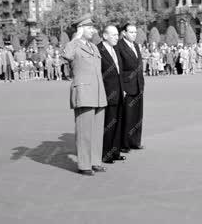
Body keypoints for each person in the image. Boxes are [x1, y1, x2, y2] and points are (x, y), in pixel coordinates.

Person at [62, 14, 107, 176]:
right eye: (89, 27)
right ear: (81, 29)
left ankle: (95, 161)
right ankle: (84, 164)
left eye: (93, 27)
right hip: (83, 92)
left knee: (96, 131)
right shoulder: (73, 45)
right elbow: (67, 55)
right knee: (84, 131)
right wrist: (76, 38)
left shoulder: (93, 47)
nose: (93, 30)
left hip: (98, 92)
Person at [97, 25, 127, 164]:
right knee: (108, 125)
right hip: (107, 93)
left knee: (117, 124)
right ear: (105, 36)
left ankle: (115, 152)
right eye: (113, 35)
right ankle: (105, 154)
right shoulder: (99, 50)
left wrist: (123, 89)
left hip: (119, 92)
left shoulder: (115, 49)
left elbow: (120, 71)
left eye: (117, 35)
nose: (117, 37)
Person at [116, 24, 145, 151]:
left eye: (135, 32)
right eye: (131, 32)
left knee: (137, 116)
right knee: (127, 116)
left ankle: (135, 141)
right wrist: (121, 87)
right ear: (124, 33)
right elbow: (119, 69)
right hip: (127, 86)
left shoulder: (136, 45)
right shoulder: (119, 46)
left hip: (138, 85)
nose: (134, 34)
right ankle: (124, 144)